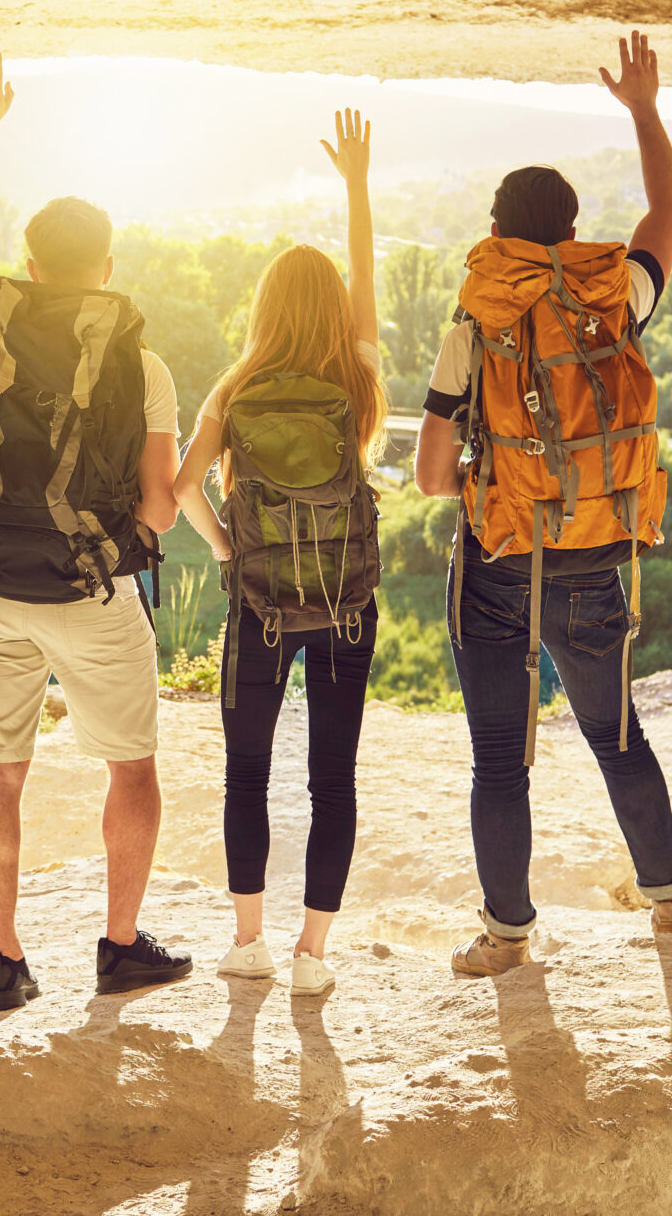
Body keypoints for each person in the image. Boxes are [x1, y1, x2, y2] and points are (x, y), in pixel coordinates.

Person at [414, 33, 672, 978]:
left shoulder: (477, 320)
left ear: (499, 231)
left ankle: (507, 936)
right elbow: (669, 207)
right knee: (618, 738)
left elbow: (426, 472)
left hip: (497, 564)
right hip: (595, 556)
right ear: (573, 225)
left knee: (501, 758)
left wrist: (486, 479)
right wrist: (644, 108)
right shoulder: (614, 295)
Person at [0, 44, 192, 1008]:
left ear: (32, 265)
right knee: (130, 767)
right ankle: (120, 946)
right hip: (94, 593)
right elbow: (160, 508)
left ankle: (6, 963)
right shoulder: (147, 366)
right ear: (109, 269)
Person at [173, 110, 385, 1001]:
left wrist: (228, 547)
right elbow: (366, 292)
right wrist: (358, 188)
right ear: (333, 310)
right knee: (331, 778)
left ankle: (250, 940)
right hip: (345, 606)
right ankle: (313, 954)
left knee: (249, 773)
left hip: (259, 605)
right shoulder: (357, 377)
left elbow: (185, 485)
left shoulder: (238, 383)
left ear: (264, 309)